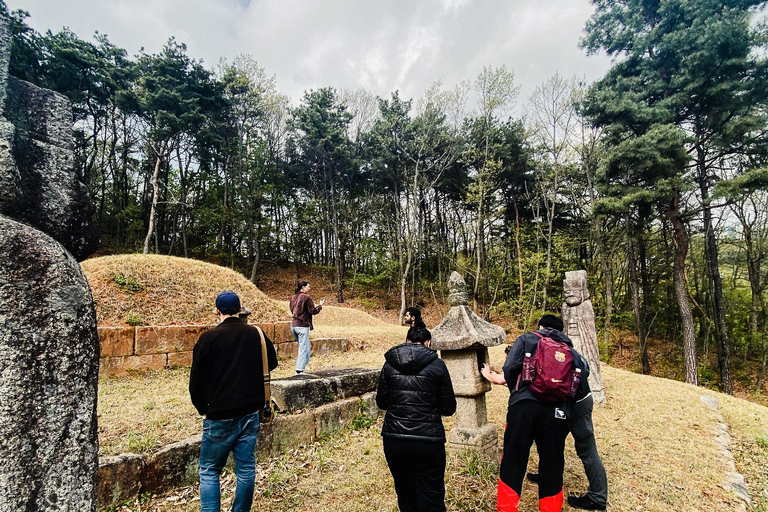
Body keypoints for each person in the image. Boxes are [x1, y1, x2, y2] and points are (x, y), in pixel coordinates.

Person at [480, 314, 589, 512]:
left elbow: (510, 367)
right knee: (553, 462)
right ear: (561, 331)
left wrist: (519, 391)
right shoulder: (571, 352)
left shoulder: (526, 340)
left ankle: (507, 508)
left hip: (524, 407)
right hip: (556, 412)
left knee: (514, 457)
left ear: (540, 326)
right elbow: (580, 388)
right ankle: (551, 509)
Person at [189, 291, 278, 512]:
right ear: (240, 309)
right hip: (250, 410)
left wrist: (202, 408)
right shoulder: (256, 334)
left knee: (209, 469)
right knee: (246, 468)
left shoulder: (208, 339)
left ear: (216, 311)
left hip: (219, 413)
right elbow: (272, 363)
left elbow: (196, 381)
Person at [376, 328, 457, 512]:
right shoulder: (437, 365)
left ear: (407, 340)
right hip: (428, 440)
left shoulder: (389, 364)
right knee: (432, 496)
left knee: (405, 496)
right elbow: (449, 407)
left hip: (395, 439)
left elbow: (382, 402)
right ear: (428, 342)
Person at [289, 280, 324, 374]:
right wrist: (320, 305)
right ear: (303, 287)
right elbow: (313, 311)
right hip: (302, 326)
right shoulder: (306, 297)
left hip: (294, 325)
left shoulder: (293, 297)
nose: (309, 288)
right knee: (303, 347)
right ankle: (299, 370)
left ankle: (303, 365)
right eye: (308, 286)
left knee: (306, 346)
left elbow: (292, 310)